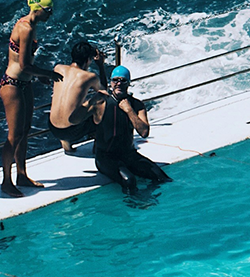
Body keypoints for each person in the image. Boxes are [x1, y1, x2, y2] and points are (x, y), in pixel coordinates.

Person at [90, 47, 171, 188]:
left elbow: (144, 132)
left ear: (129, 83)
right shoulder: (103, 102)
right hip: (106, 157)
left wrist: (129, 110)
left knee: (161, 176)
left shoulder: (136, 105)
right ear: (111, 83)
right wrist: (100, 65)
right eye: (115, 80)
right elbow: (100, 87)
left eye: (123, 80)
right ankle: (134, 207)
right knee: (129, 181)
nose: (119, 83)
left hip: (128, 154)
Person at [0, 0, 51, 196]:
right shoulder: (26, 28)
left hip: (24, 83)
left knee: (25, 131)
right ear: (38, 9)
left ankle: (21, 174)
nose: (50, 14)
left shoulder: (32, 25)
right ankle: (6, 181)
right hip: (12, 84)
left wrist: (38, 77)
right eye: (48, 10)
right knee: (14, 135)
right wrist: (47, 73)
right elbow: (24, 64)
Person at [49, 39, 105, 151]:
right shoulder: (89, 77)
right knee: (99, 103)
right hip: (71, 131)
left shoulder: (58, 68)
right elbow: (104, 92)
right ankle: (99, 147)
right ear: (88, 60)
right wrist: (101, 65)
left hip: (53, 128)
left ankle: (66, 146)